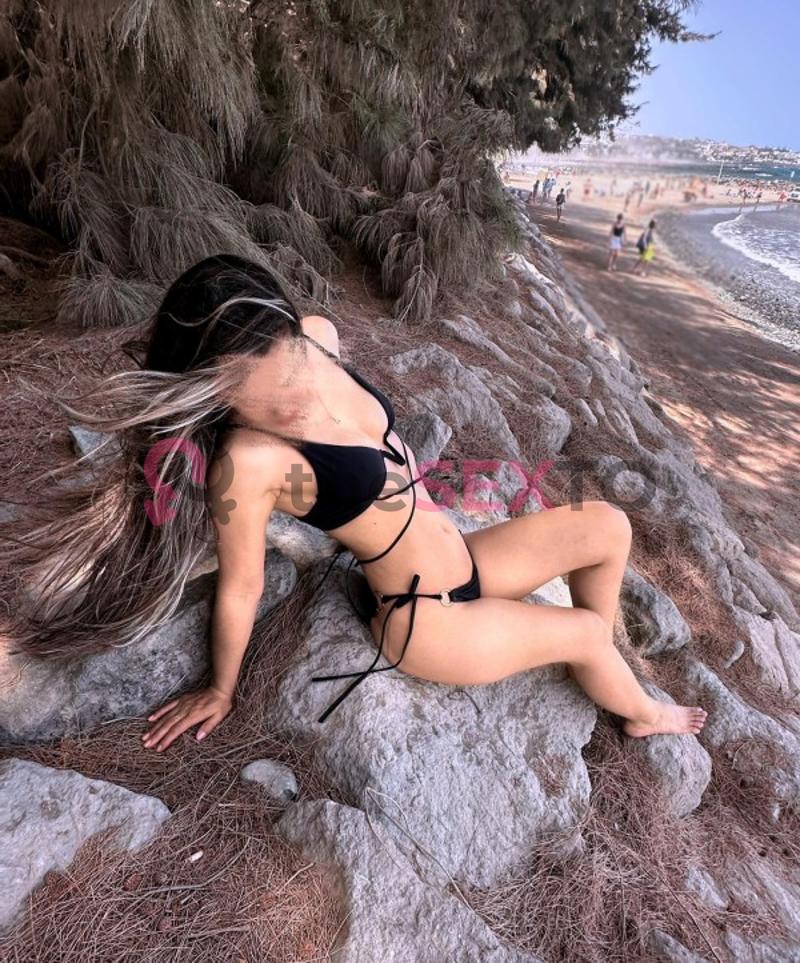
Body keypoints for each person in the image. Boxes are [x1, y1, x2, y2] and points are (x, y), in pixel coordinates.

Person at [5, 253, 707, 750]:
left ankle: (596, 662)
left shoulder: (315, 337)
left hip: (465, 560)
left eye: (294, 368)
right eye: (275, 402)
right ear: (215, 392)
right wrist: (221, 689)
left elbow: (315, 361)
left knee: (608, 525)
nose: (300, 398)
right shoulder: (250, 464)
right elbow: (242, 587)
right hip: (422, 619)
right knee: (584, 632)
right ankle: (640, 711)